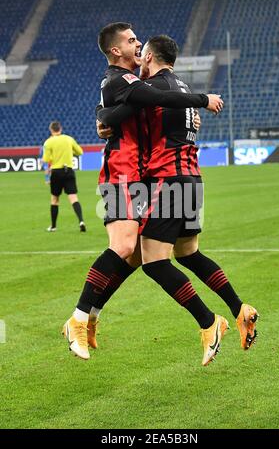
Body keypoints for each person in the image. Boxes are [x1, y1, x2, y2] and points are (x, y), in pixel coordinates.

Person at [62, 22, 223, 361]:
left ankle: (91, 316)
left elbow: (124, 109)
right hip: (120, 173)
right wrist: (202, 99)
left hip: (140, 177)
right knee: (121, 246)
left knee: (135, 255)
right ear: (116, 50)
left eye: (139, 40)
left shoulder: (129, 82)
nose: (138, 44)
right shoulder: (120, 79)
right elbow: (157, 97)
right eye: (131, 40)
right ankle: (76, 319)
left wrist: (102, 114)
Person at [96, 35, 259, 364]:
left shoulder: (155, 92)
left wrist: (103, 120)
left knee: (152, 262)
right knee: (188, 254)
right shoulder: (180, 89)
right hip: (192, 180)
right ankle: (241, 309)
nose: (138, 57)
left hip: (168, 182)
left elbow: (121, 116)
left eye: (142, 53)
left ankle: (209, 323)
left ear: (151, 56)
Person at [43, 121, 86, 232]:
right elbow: (80, 152)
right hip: (69, 171)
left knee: (55, 199)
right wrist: (69, 151)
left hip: (56, 172)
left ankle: (53, 226)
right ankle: (81, 221)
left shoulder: (48, 142)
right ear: (60, 129)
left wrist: (47, 176)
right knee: (73, 197)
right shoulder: (69, 139)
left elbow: (46, 160)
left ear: (51, 130)